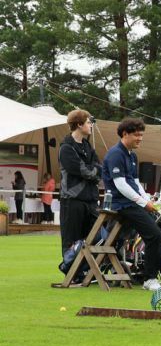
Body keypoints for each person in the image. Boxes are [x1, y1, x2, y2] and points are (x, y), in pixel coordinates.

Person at [102, 117, 161, 291]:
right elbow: (121, 185)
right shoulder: (116, 154)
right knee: (154, 234)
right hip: (121, 205)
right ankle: (151, 279)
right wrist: (142, 202)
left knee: (155, 235)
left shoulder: (132, 155)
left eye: (141, 135)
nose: (140, 138)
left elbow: (135, 182)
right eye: (136, 135)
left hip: (132, 203)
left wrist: (147, 198)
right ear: (124, 134)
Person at [58, 109, 102, 256]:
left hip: (91, 201)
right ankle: (70, 269)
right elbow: (84, 171)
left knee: (95, 240)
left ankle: (88, 268)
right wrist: (94, 171)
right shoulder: (66, 148)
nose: (91, 125)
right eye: (88, 122)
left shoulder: (88, 146)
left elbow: (99, 168)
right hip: (72, 201)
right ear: (79, 124)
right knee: (71, 243)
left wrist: (94, 171)